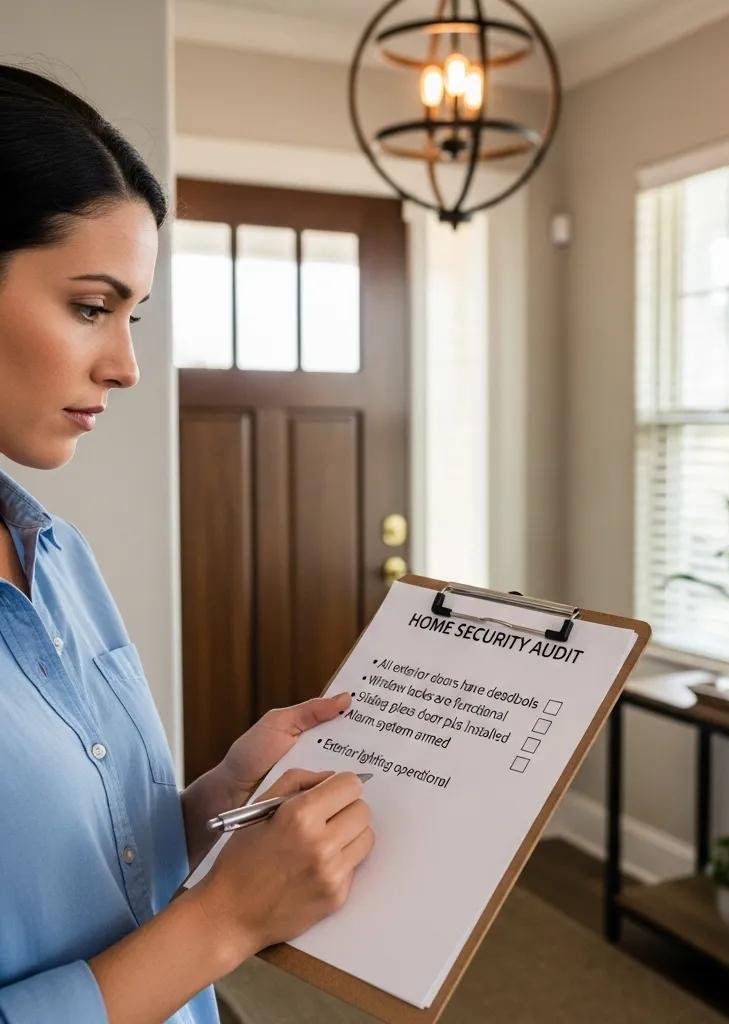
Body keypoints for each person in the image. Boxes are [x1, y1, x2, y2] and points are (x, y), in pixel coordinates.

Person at [0, 65, 375, 1024]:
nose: (125, 365)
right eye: (91, 306)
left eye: (135, 316)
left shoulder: (57, 554)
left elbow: (83, 868)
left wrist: (216, 798)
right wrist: (227, 920)